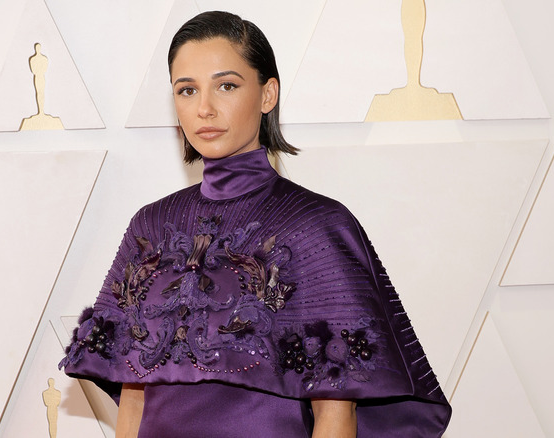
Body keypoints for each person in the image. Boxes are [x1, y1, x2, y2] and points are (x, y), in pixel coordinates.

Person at [60, 11, 451, 437]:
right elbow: (134, 394)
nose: (204, 108)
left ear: (268, 95)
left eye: (226, 85)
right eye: (187, 90)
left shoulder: (314, 226)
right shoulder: (151, 226)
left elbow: (336, 412)